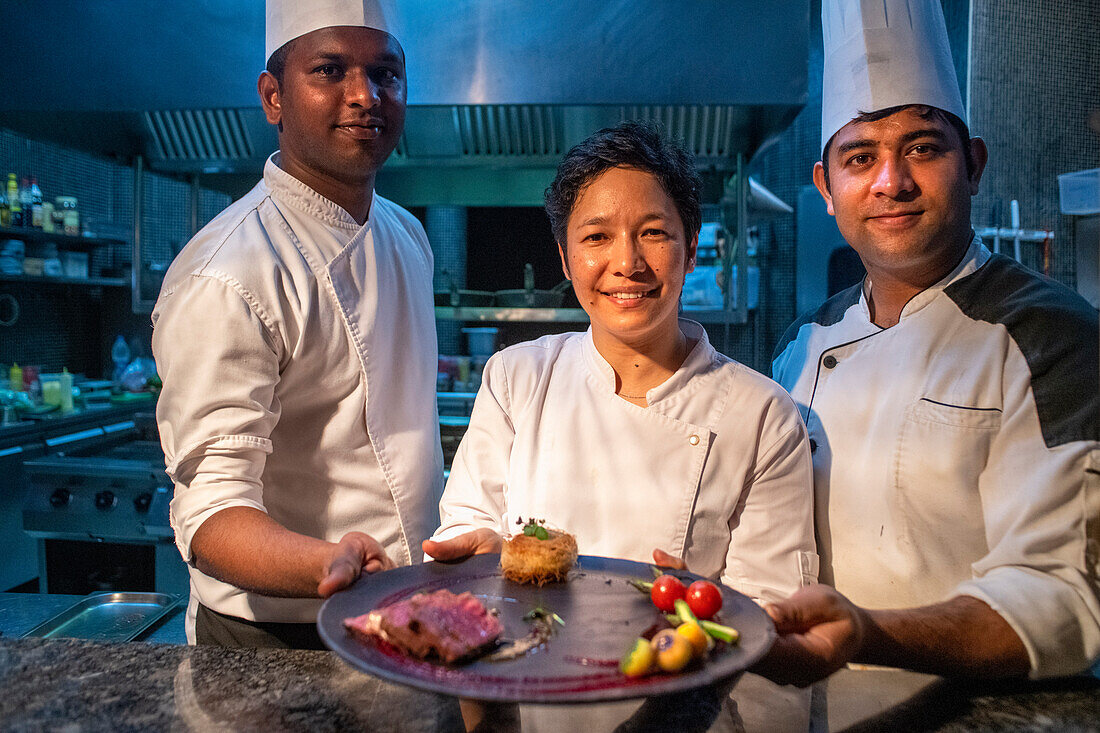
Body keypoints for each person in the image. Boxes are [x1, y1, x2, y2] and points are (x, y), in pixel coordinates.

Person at [762, 0, 1100, 685]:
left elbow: (1065, 595)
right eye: (861, 157)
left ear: (971, 164)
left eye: (922, 147)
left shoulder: (1052, 334)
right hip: (814, 701)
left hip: (979, 710)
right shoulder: (802, 342)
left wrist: (871, 632)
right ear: (828, 188)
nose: (892, 181)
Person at [424, 120, 818, 616]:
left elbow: (772, 606)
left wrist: (711, 607)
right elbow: (468, 524)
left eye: (653, 233)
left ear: (691, 247)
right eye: (596, 237)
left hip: (680, 679)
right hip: (530, 676)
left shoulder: (762, 415)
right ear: (566, 259)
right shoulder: (515, 378)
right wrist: (474, 554)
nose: (627, 262)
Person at [151, 0, 441, 648]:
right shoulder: (228, 273)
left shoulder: (408, 236)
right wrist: (326, 562)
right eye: (330, 70)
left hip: (402, 610)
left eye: (386, 74)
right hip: (278, 634)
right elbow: (211, 512)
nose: (365, 95)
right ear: (273, 97)